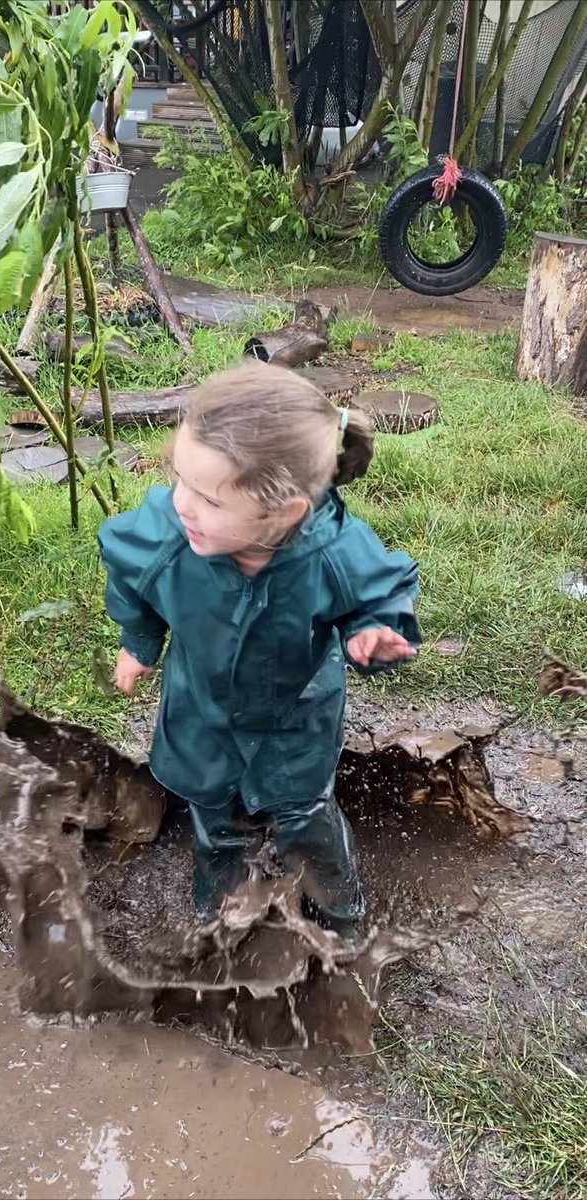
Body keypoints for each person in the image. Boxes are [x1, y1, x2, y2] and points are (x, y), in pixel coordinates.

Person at [98, 361, 420, 933]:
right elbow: (133, 580)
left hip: (295, 713)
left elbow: (377, 590)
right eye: (180, 480)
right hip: (201, 706)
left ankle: (340, 912)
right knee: (214, 818)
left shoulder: (332, 552)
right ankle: (218, 914)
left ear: (285, 511)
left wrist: (373, 629)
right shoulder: (168, 536)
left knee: (305, 815)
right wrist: (139, 642)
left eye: (209, 499)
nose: (182, 505)